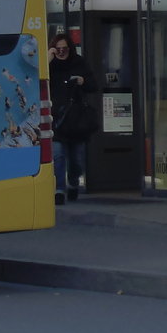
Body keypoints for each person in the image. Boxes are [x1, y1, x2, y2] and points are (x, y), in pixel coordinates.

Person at [48, 32, 96, 204]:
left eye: (64, 49)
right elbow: (36, 79)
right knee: (59, 155)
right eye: (58, 49)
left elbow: (93, 85)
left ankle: (73, 183)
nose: (61, 52)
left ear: (70, 48)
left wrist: (83, 81)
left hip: (76, 119)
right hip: (56, 117)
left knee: (76, 159)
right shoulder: (50, 65)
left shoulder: (79, 63)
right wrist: (48, 58)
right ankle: (59, 190)